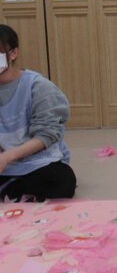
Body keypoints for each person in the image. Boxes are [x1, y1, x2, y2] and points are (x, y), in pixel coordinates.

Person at [0, 24, 76, 201]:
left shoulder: (38, 87)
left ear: (13, 53)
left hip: (35, 162)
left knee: (62, 180)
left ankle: (11, 188)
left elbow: (45, 136)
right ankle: (13, 188)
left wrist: (7, 157)